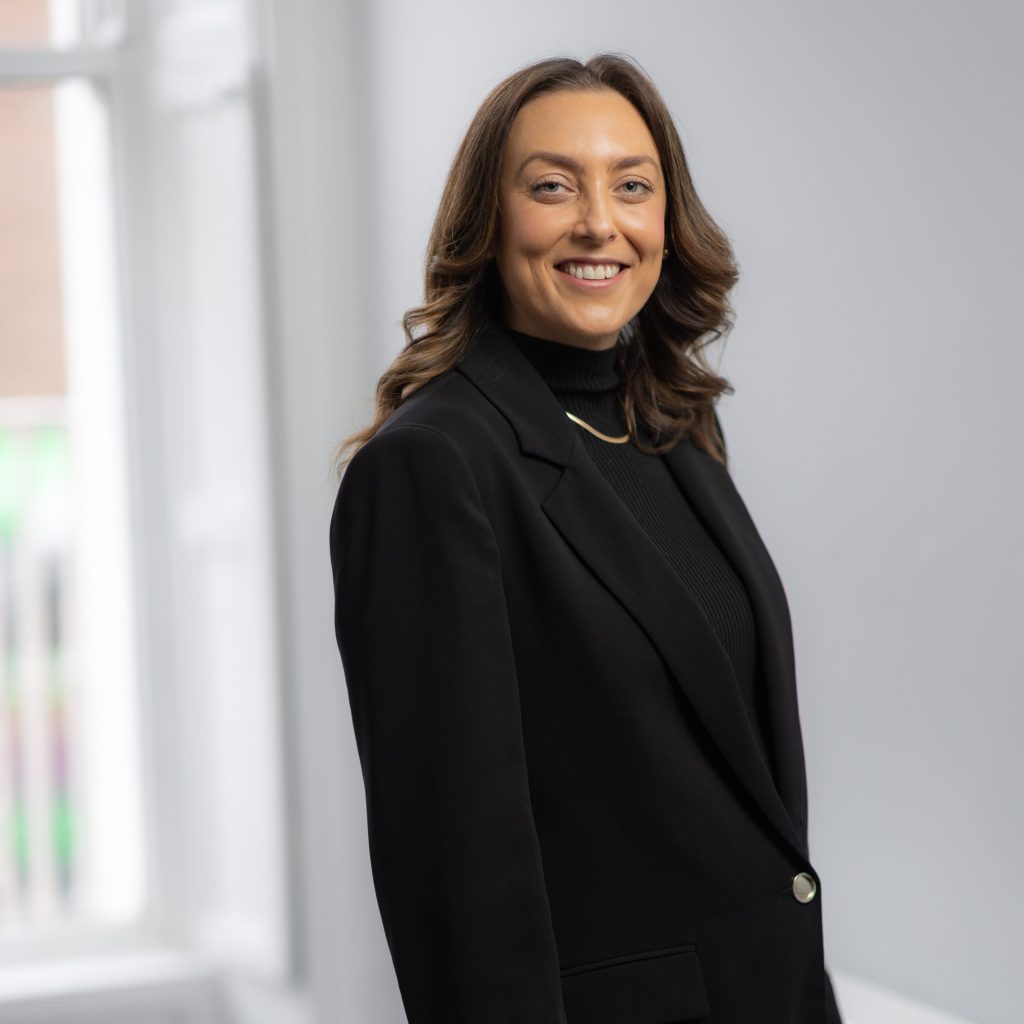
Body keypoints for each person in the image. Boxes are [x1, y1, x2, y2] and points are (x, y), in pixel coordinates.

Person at [329, 53, 843, 1024]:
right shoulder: (430, 468)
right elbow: (455, 868)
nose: (598, 222)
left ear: (665, 219)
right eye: (553, 187)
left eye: (632, 186)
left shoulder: (674, 429)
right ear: (489, 221)